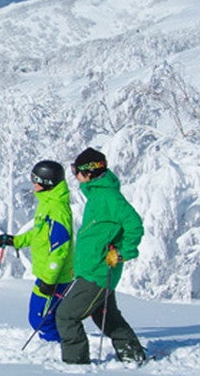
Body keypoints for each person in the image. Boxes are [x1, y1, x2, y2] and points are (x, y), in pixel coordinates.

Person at [54, 147, 147, 364]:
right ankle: (133, 355)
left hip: (98, 271)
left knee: (66, 315)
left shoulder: (108, 197)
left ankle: (76, 364)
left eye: (76, 170)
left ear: (89, 172)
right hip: (91, 269)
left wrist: (123, 252)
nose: (74, 174)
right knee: (106, 317)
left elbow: (134, 224)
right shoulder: (97, 196)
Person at [0, 160, 74, 342]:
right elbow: (38, 234)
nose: (33, 185)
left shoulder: (57, 209)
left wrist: (49, 279)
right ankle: (60, 344)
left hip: (55, 277)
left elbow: (60, 248)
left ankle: (59, 347)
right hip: (47, 274)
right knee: (42, 317)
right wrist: (15, 241)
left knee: (40, 319)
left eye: (36, 180)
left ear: (47, 183)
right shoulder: (47, 203)